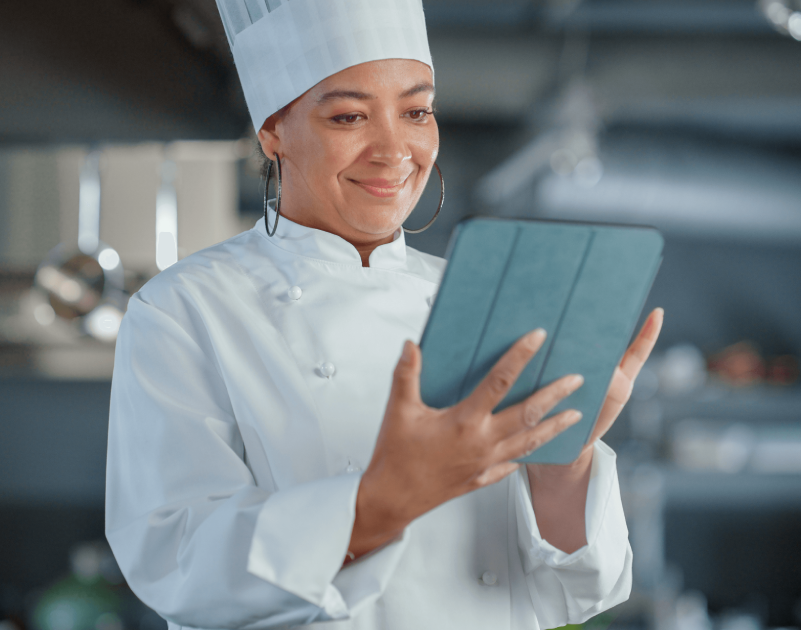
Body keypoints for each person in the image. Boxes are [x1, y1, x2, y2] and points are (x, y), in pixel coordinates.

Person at [104, 1, 665, 628]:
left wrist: (565, 458)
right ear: (272, 131)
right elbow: (178, 565)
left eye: (416, 111)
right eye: (349, 116)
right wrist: (380, 503)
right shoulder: (186, 309)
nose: (395, 150)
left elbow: (574, 593)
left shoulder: (475, 292)